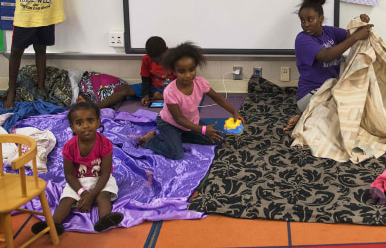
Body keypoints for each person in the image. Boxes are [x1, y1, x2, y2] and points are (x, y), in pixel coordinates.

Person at [283, 0, 372, 132]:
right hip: (311, 95)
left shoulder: (330, 31)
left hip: (331, 90)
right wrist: (356, 37)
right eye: (302, 21)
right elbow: (327, 55)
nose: (306, 24)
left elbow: (350, 35)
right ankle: (306, 116)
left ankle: (307, 117)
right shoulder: (302, 39)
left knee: (359, 104)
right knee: (345, 117)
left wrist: (359, 22)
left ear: (321, 18)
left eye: (310, 19)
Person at [138, 42, 244, 159]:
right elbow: (179, 119)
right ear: (174, 72)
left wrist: (234, 112)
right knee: (177, 154)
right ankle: (151, 140)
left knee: (217, 142)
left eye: (191, 70)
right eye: (182, 71)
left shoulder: (201, 83)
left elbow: (218, 99)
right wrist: (203, 129)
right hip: (170, 124)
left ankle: (178, 137)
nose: (188, 75)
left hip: (191, 122)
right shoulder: (170, 92)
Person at [31, 101, 124, 235]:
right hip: (78, 181)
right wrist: (83, 193)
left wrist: (91, 196)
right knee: (66, 199)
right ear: (72, 127)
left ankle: (105, 219)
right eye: (79, 123)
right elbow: (69, 175)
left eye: (90, 121)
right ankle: (53, 224)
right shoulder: (69, 147)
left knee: (103, 196)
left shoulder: (105, 144)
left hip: (101, 179)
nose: (85, 126)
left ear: (98, 122)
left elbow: (105, 174)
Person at [131, 36, 175, 107]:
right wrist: (146, 95)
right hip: (153, 87)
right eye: (154, 61)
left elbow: (181, 81)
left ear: (166, 51)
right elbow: (146, 79)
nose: (158, 64)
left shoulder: (175, 59)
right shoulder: (146, 59)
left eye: (160, 60)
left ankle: (160, 96)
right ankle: (106, 110)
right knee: (123, 90)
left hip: (171, 89)